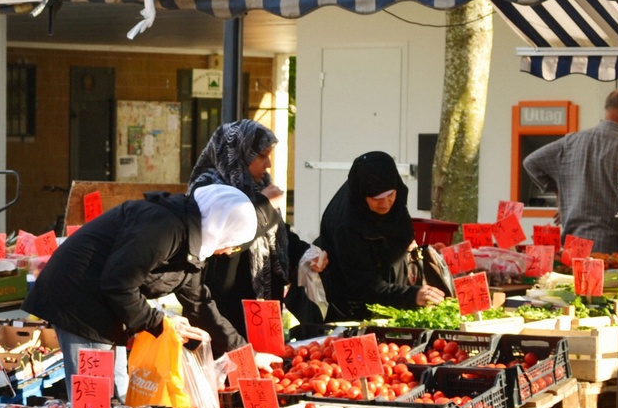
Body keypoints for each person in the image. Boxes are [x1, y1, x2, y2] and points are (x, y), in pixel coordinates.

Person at [22, 184, 259, 387]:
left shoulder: (193, 243)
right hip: (78, 301)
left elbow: (200, 304)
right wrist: (159, 322)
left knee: (117, 393)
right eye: (233, 243)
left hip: (104, 307)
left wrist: (245, 353)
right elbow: (118, 284)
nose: (229, 251)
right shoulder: (164, 228)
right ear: (222, 227)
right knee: (96, 397)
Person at [187, 120, 322, 350]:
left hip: (263, 307)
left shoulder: (259, 185)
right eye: (261, 156)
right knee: (229, 377)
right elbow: (231, 239)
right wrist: (264, 205)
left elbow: (278, 232)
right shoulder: (209, 189)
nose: (268, 164)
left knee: (265, 373)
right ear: (237, 154)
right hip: (224, 309)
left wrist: (304, 253)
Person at [308, 151, 445, 322]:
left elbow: (400, 228)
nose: (386, 203)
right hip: (349, 303)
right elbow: (364, 286)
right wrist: (411, 295)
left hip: (389, 294)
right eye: (376, 198)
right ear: (362, 194)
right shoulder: (346, 225)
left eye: (390, 195)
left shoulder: (395, 191)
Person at [524, 89, 618, 253]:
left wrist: (558, 195)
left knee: (576, 279)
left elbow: (531, 162)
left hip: (573, 244)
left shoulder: (571, 141)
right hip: (611, 248)